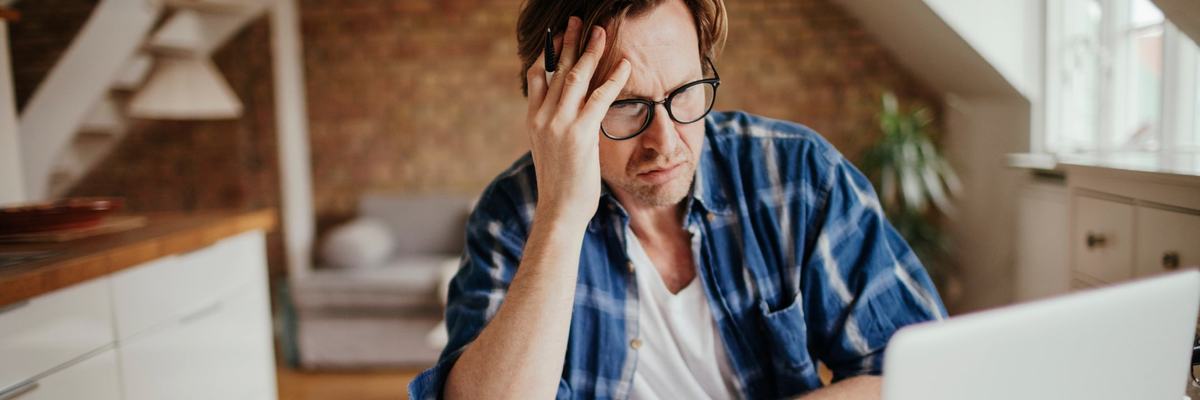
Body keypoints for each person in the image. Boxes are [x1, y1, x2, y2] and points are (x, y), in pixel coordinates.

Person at [409, 0, 945, 398]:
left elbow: (921, 376)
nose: (666, 141)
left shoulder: (797, 175)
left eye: (686, 91)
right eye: (625, 105)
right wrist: (561, 218)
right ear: (558, 107)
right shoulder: (516, 214)